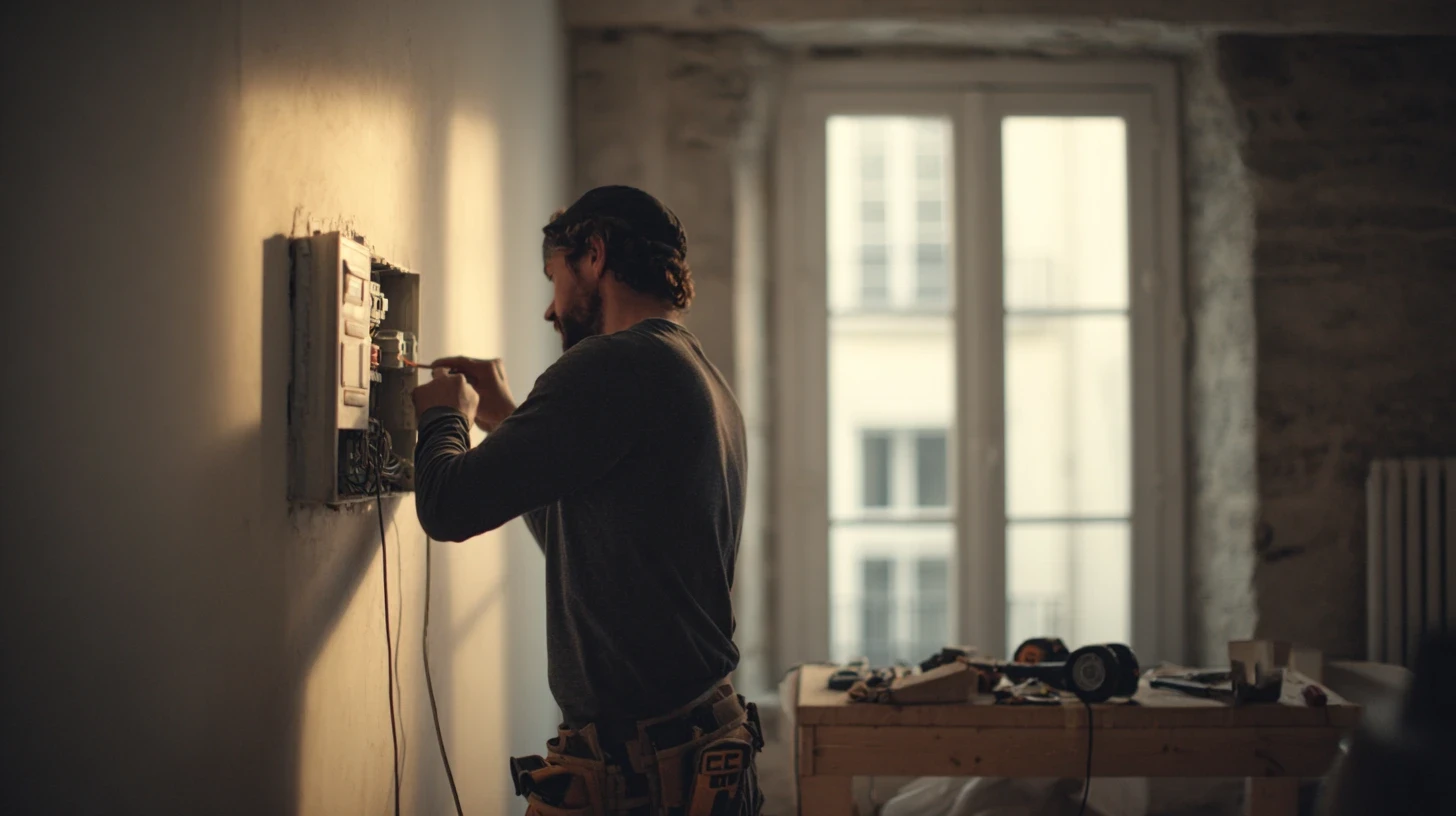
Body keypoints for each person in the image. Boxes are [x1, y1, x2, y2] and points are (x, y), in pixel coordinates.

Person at [408, 186, 762, 816]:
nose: (551, 308)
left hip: (645, 776)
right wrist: (509, 421)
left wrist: (445, 415)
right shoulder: (696, 373)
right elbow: (585, 539)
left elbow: (446, 506)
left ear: (594, 255)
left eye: (555, 277)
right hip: (700, 750)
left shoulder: (613, 364)